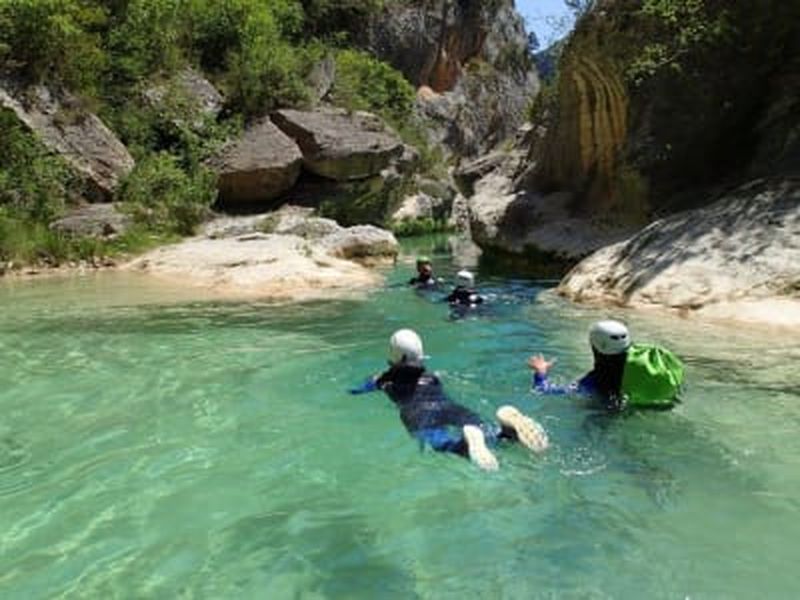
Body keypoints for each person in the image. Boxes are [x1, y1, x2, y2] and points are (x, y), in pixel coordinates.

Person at [350, 329, 548, 470]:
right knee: (485, 434)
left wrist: (363, 386)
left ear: (394, 354)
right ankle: (506, 433)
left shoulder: (383, 380)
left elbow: (356, 391)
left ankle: (463, 445)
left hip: (419, 414)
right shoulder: (432, 376)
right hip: (449, 406)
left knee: (442, 445)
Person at [528, 320, 684, 411]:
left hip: (609, 413)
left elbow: (543, 391)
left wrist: (540, 372)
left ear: (595, 346)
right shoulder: (648, 361)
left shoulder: (595, 381)